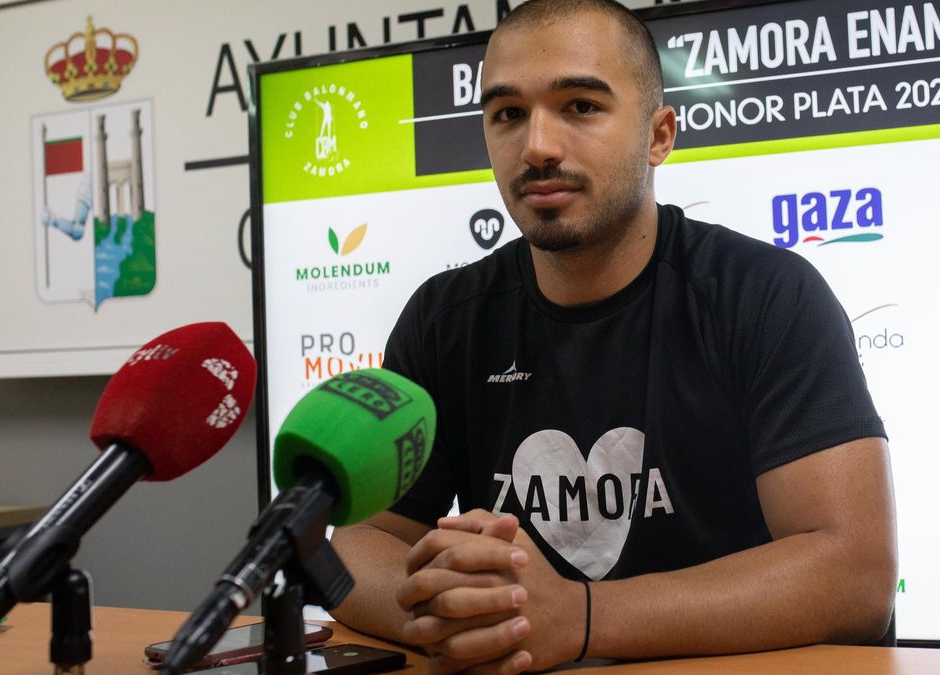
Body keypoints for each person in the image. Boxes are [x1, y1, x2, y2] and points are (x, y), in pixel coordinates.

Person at [330, 1, 897, 672]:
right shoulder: (445, 316)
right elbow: (359, 543)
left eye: (580, 106)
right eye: (508, 114)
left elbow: (853, 571)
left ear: (659, 136)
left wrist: (582, 617)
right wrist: (463, 615)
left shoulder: (767, 294)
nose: (537, 145)